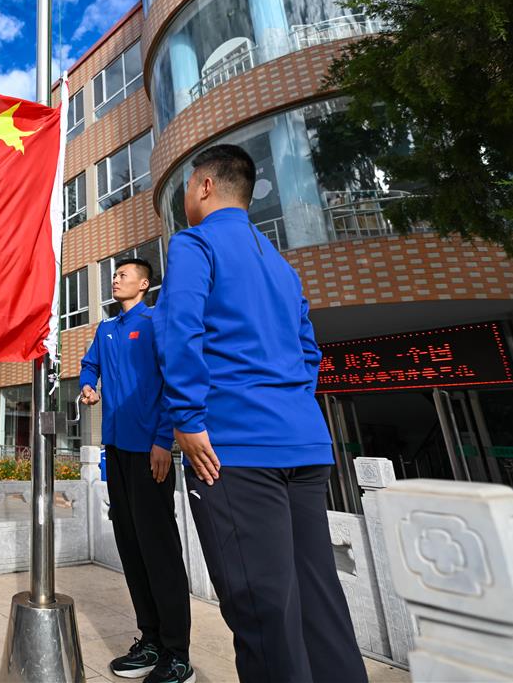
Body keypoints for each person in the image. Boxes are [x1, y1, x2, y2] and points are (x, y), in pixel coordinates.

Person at [153, 144, 366, 683]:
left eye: (188, 185)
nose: (186, 195)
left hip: (234, 451)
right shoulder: (280, 264)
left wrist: (188, 419)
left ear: (205, 186)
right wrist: (286, 403)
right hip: (303, 442)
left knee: (263, 612)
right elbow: (309, 350)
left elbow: (179, 330)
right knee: (318, 602)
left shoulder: (194, 243)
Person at [81, 258, 194, 683]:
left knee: (159, 551)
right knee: (131, 548)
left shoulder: (155, 322)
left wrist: (164, 439)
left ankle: (177, 654)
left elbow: (171, 381)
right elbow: (89, 364)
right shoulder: (106, 329)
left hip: (151, 452)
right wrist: (88, 384)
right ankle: (150, 640)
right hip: (115, 450)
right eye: (114, 275)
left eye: (124, 275)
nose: (115, 279)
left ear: (144, 284)